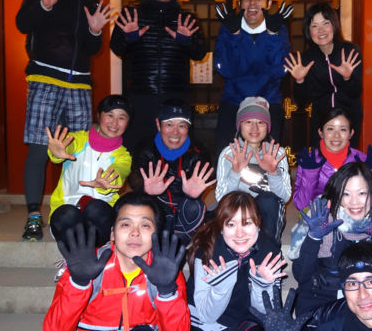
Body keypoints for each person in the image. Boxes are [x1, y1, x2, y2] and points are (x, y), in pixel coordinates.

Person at [25, 192, 190, 331]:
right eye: (126, 224)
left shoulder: (165, 271)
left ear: (157, 233)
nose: (135, 233)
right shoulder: (86, 264)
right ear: (112, 233)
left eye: (145, 225)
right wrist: (79, 283)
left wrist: (166, 290)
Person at [16, 0, 115, 241]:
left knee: (77, 152)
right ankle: (34, 216)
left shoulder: (91, 0)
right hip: (45, 79)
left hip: (80, 84)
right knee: (39, 148)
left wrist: (95, 32)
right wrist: (44, 6)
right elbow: (22, 23)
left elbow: (92, 48)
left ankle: (72, 209)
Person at [185, 191, 286, 331]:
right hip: (205, 320)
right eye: (231, 224)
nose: (239, 233)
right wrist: (220, 289)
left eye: (247, 223)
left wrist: (262, 285)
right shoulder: (208, 251)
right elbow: (206, 314)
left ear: (258, 224)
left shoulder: (269, 252)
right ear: (221, 227)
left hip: (248, 318)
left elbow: (266, 313)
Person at [110, 0, 206, 150]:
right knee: (138, 149)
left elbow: (200, 53)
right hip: (140, 96)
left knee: (178, 150)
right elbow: (117, 49)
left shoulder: (187, 18)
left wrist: (186, 41)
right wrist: (129, 38)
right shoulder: (132, 15)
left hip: (176, 95)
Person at [289, 162, 372, 318]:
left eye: (361, 193)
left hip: (365, 302)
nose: (354, 202)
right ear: (337, 194)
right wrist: (313, 238)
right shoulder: (321, 219)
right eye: (346, 194)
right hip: (323, 302)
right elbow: (301, 275)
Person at [213, 0, 291, 159]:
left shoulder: (278, 29)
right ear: (240, 3)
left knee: (269, 162)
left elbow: (280, 70)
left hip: (269, 102)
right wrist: (234, 35)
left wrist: (272, 35)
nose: (252, 2)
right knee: (225, 158)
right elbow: (225, 70)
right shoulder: (228, 28)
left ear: (268, 3)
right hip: (234, 102)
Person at [47, 95, 132, 248]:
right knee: (67, 214)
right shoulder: (78, 139)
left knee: (96, 208)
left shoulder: (124, 156)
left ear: (128, 122)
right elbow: (67, 147)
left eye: (121, 118)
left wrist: (106, 183)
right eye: (110, 115)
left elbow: (119, 171)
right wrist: (58, 152)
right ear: (98, 115)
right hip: (66, 208)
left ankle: (90, 254)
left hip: (101, 215)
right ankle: (77, 256)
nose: (114, 123)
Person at [127, 99, 214, 243]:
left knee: (195, 207)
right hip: (155, 207)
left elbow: (204, 181)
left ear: (188, 127)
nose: (175, 132)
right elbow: (135, 179)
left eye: (182, 126)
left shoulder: (198, 152)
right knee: (135, 206)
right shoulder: (145, 148)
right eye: (169, 124)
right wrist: (145, 189)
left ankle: (182, 243)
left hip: (183, 210)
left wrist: (192, 195)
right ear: (158, 124)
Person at [215, 97, 291, 247]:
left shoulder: (277, 153)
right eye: (248, 122)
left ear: (268, 127)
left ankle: (269, 250)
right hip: (239, 214)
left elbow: (285, 197)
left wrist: (273, 173)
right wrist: (235, 172)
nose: (254, 128)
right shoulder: (229, 153)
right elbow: (221, 198)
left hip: (268, 213)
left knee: (269, 200)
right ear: (240, 125)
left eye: (261, 122)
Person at [285, 1, 362, 146]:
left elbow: (355, 92)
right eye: (314, 26)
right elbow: (301, 101)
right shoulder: (306, 59)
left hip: (349, 120)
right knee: (320, 158)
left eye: (325, 23)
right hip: (320, 122)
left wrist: (347, 78)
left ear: (334, 24)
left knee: (348, 158)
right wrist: (300, 81)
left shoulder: (350, 51)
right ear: (308, 30)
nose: (321, 30)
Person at [292, 107, 372, 212]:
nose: (336, 136)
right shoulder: (309, 161)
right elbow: (301, 206)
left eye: (343, 129)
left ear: (351, 133)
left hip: (353, 215)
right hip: (319, 217)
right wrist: (310, 174)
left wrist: (371, 173)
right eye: (330, 129)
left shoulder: (362, 160)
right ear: (320, 132)